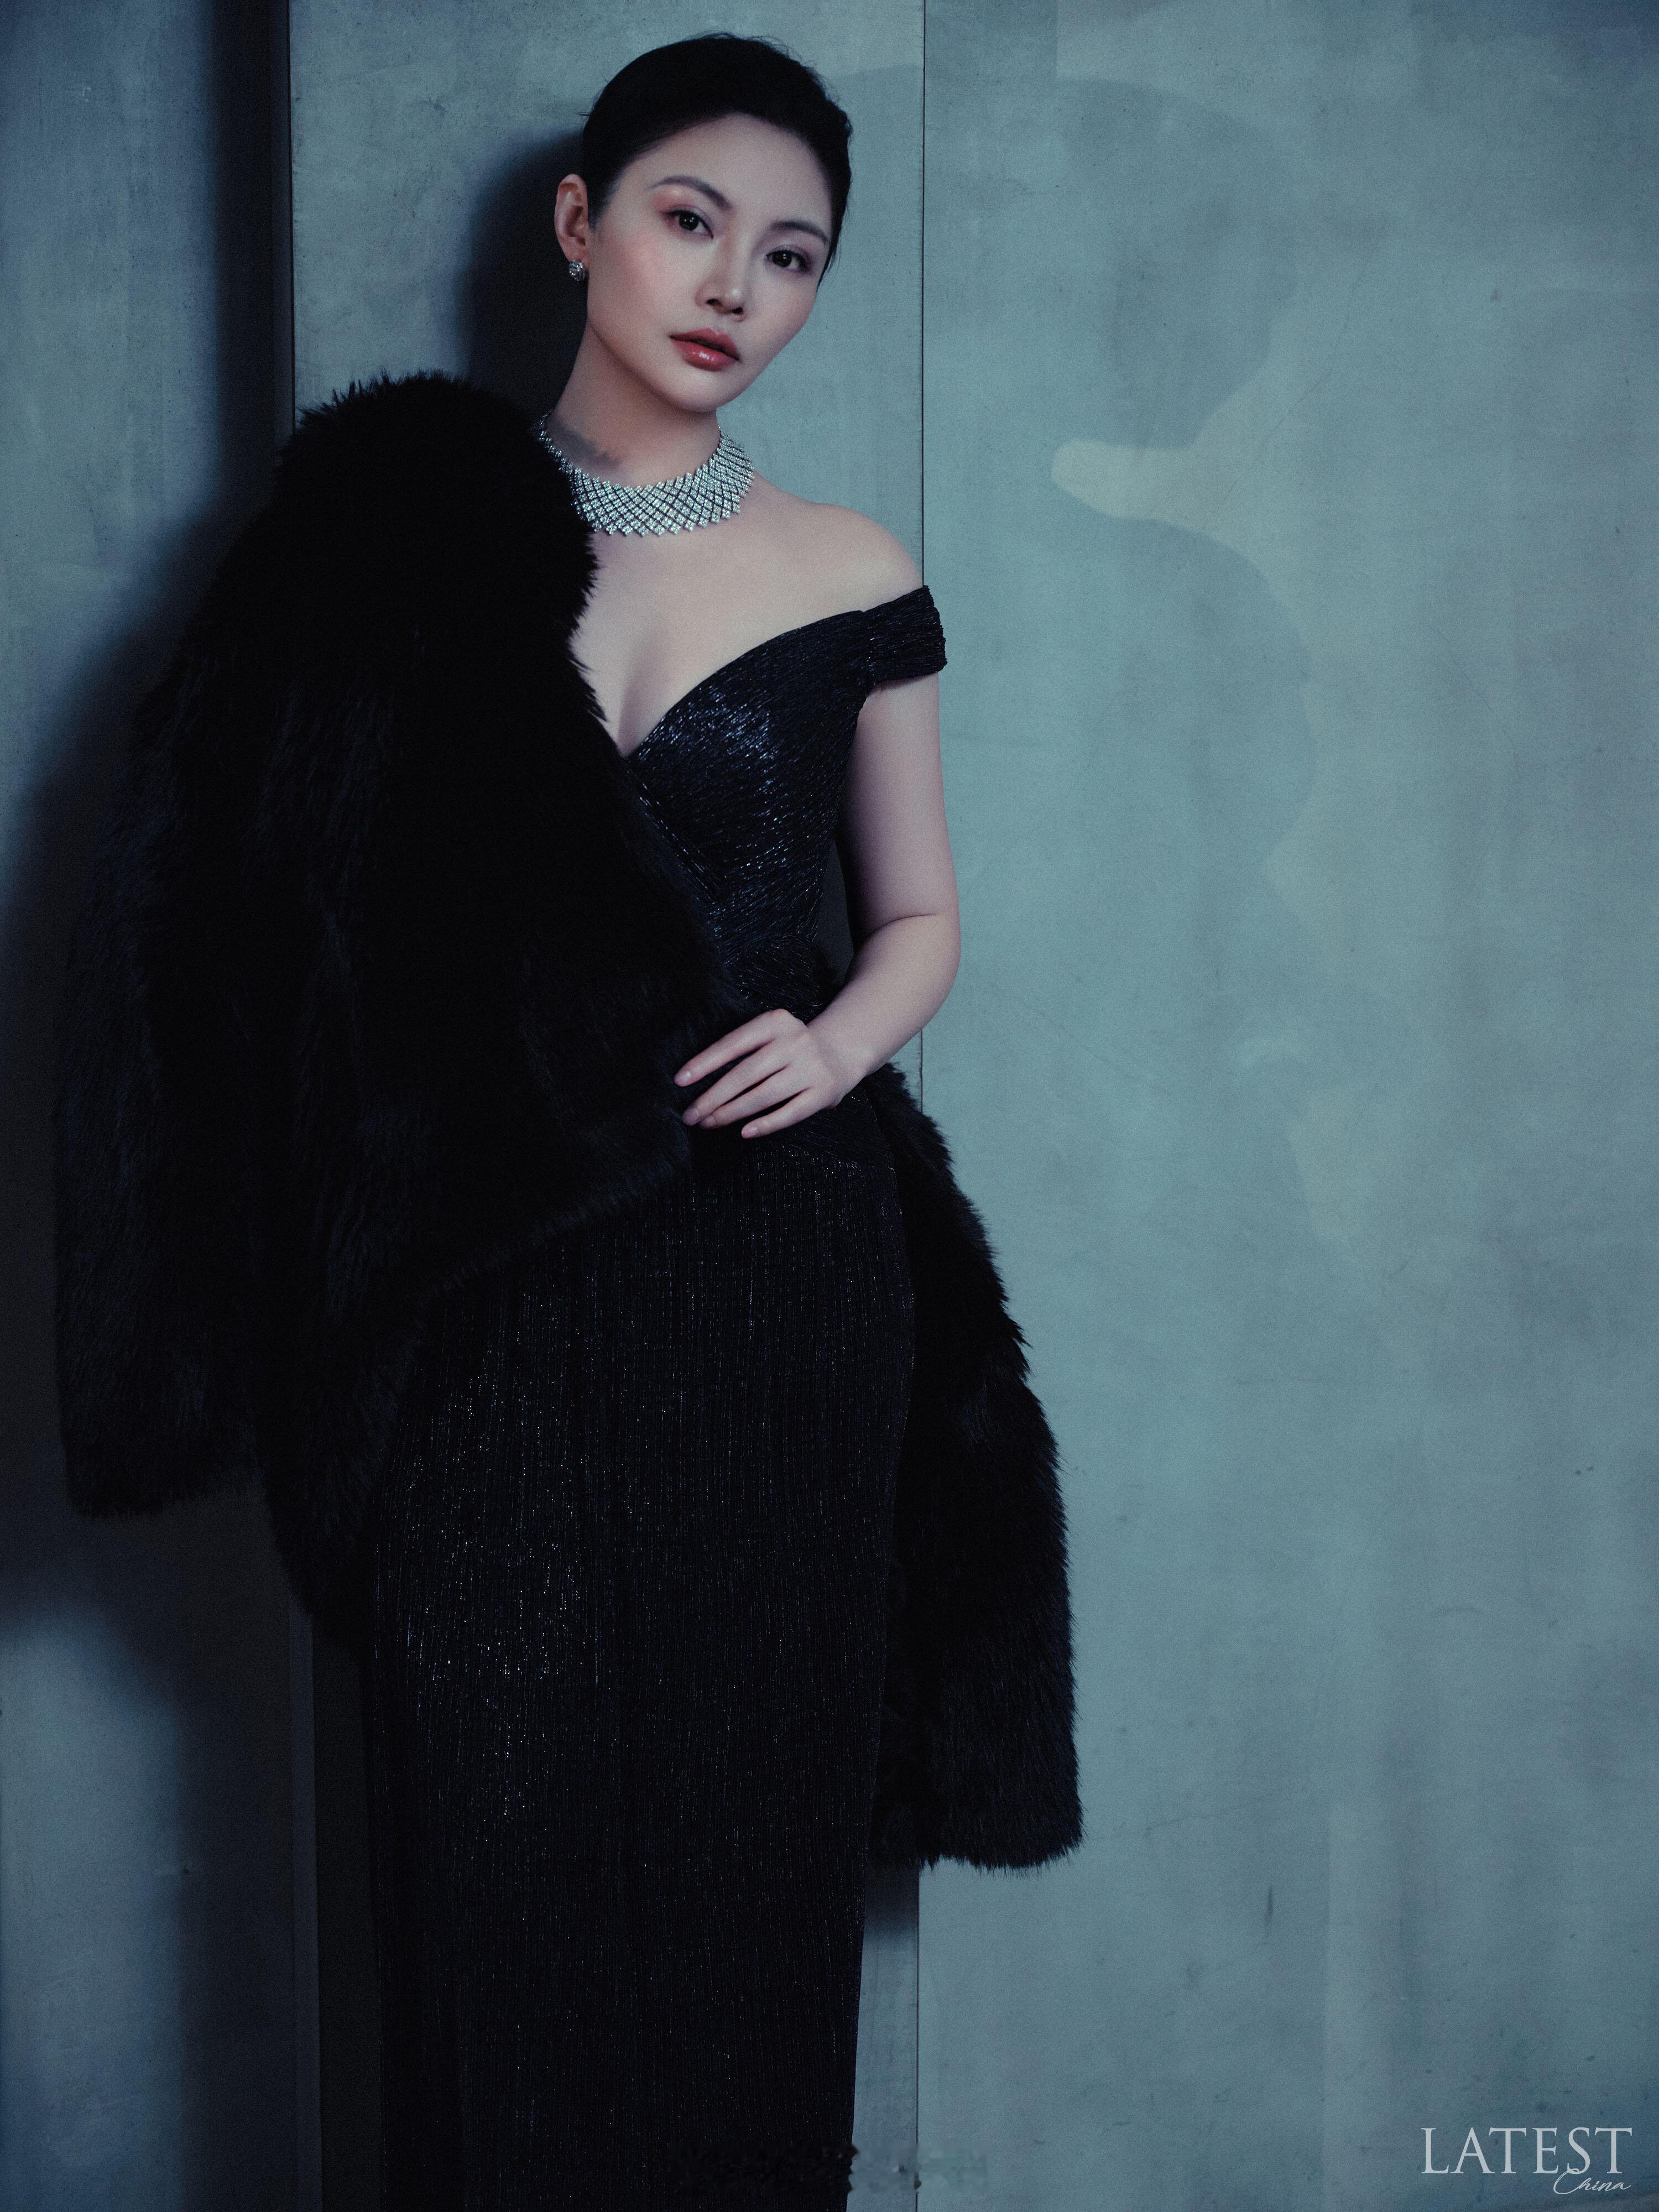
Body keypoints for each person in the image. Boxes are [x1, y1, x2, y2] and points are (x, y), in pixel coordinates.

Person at [52, 33, 1081, 2212]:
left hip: (781, 1286)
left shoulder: (846, 563)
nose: (734, 286)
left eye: (789, 255)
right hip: (483, 1306)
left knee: (746, 1873)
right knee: (486, 1885)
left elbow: (922, 914)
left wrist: (841, 1046)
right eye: (693, 220)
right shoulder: (385, 547)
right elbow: (229, 926)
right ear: (580, 220)